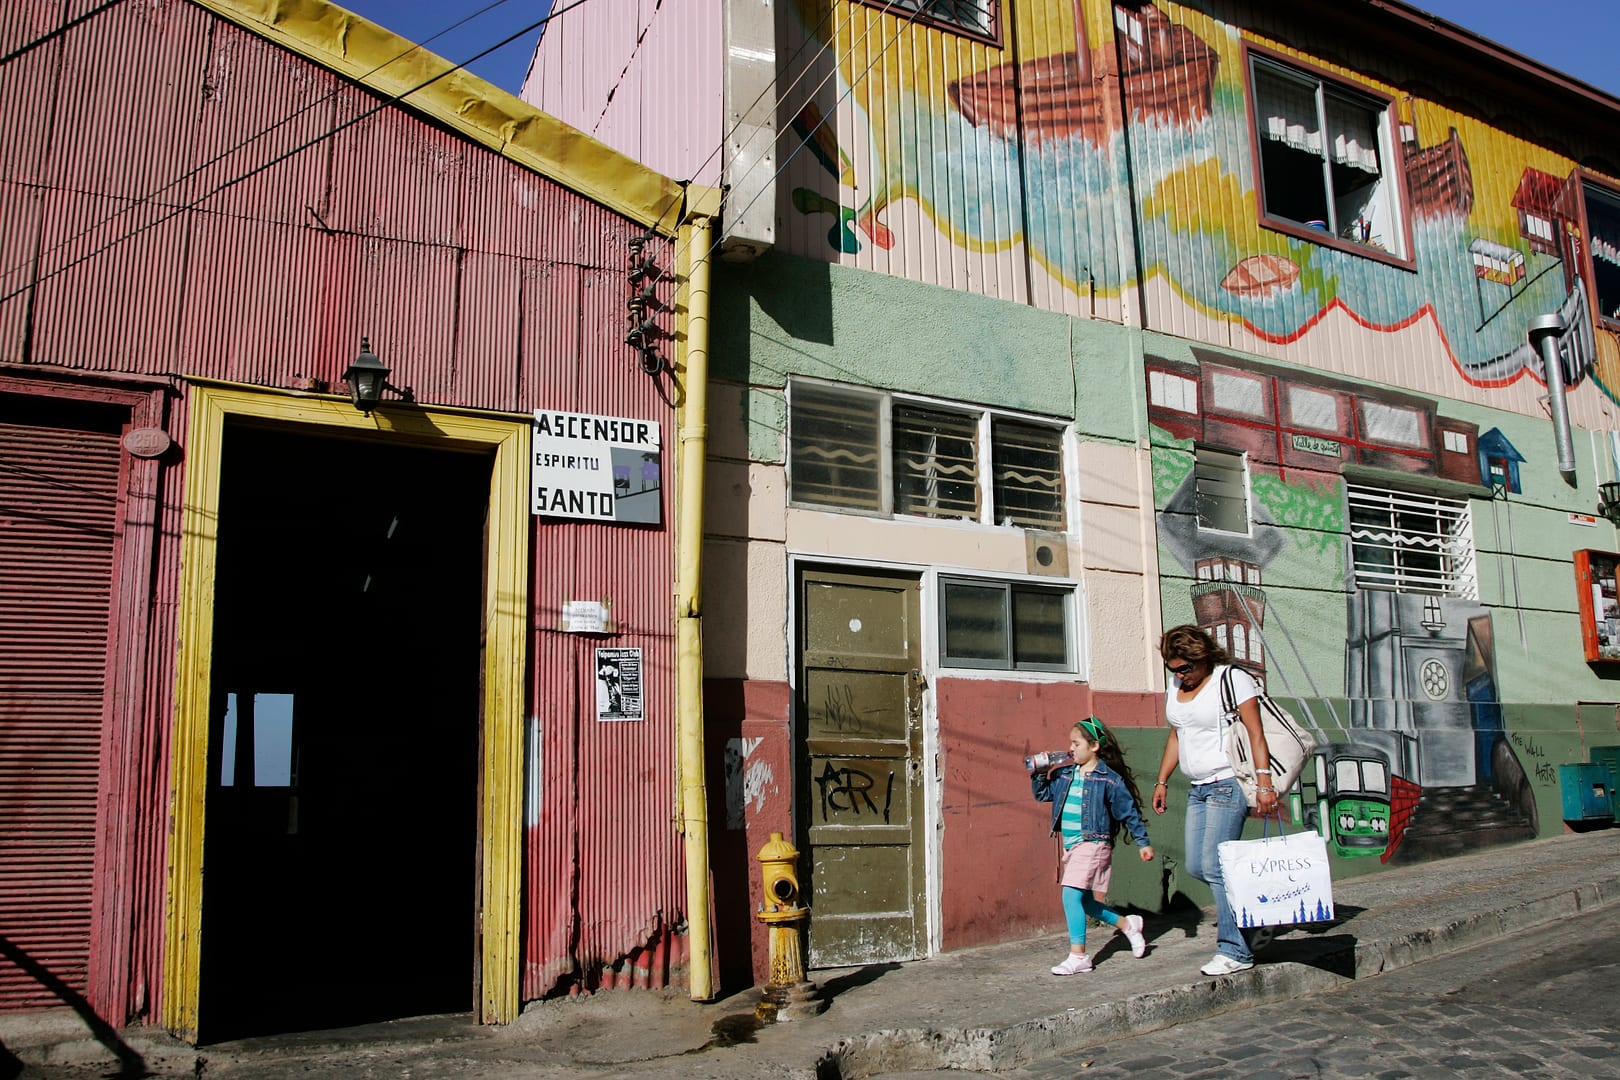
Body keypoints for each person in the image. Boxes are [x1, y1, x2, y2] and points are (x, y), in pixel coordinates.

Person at [1150, 624, 1279, 977]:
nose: (1180, 676)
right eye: (1173, 669)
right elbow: (1177, 735)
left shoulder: (1231, 678)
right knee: (1197, 865)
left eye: (1185, 668)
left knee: (1217, 865)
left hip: (1228, 782)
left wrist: (1265, 782)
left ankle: (1235, 949)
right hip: (1198, 787)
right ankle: (1252, 914)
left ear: (1202, 656)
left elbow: (1255, 732)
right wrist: (1162, 780)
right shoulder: (1175, 687)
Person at [1030, 716, 1154, 975]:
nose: (1071, 748)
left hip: (1094, 844)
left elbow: (1128, 811)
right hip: (1072, 847)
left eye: (1076, 743)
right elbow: (1042, 794)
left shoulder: (1108, 780)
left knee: (1070, 894)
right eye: (1070, 744)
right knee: (1085, 903)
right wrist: (1040, 773)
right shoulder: (1065, 775)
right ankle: (1128, 924)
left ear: (1094, 746)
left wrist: (1142, 842)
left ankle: (1079, 956)